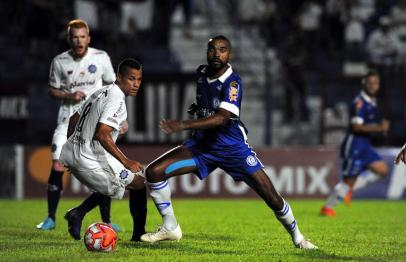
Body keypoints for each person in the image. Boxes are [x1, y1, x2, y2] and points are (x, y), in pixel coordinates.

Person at [139, 35, 318, 249]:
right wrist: (197, 110)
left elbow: (222, 117)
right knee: (154, 172)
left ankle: (298, 238)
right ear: (207, 52)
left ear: (229, 54)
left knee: (271, 196)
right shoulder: (201, 74)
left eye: (222, 50)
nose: (217, 54)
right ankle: (170, 227)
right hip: (203, 147)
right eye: (212, 49)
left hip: (232, 148)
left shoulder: (233, 82)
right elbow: (206, 104)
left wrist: (183, 125)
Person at [36, 19, 120, 232]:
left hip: (94, 125)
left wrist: (121, 117)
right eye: (74, 37)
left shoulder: (101, 58)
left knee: (103, 171)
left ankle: (107, 221)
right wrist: (68, 95)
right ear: (69, 39)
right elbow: (52, 90)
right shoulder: (59, 61)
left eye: (82, 36)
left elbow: (113, 88)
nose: (79, 40)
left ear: (88, 38)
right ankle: (50, 218)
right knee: (57, 165)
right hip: (66, 122)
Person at [60, 58, 147, 241]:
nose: (136, 84)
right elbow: (102, 133)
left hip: (74, 153)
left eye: (139, 79)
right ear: (118, 77)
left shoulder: (99, 92)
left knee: (124, 183)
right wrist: (126, 161)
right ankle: (138, 235)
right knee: (138, 183)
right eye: (131, 78)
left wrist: (72, 149)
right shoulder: (117, 99)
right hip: (90, 156)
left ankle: (78, 213)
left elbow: (74, 118)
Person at [321, 71, 390, 216]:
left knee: (382, 170)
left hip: (365, 145)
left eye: (375, 83)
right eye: (370, 83)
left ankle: (349, 189)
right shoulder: (359, 102)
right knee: (348, 182)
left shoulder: (372, 102)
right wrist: (379, 128)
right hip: (354, 146)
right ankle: (327, 207)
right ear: (364, 83)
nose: (373, 86)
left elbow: (371, 123)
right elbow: (356, 127)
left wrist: (381, 125)